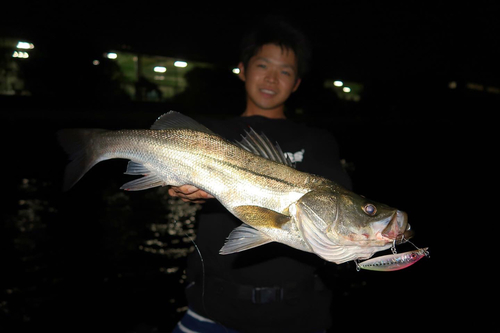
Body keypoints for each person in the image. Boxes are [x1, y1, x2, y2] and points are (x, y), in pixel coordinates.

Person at [171, 19, 352, 333]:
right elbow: (176, 175)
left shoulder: (317, 140)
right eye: (263, 65)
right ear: (242, 69)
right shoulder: (214, 135)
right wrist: (176, 185)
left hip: (299, 316)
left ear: (296, 83)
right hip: (211, 311)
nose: (271, 78)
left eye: (285, 71)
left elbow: (338, 213)